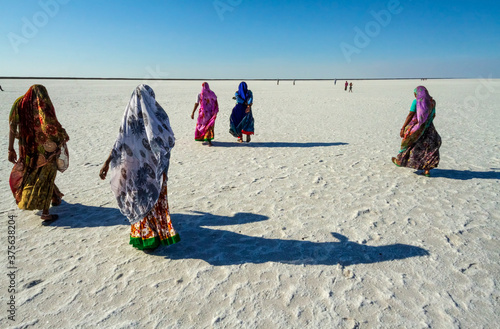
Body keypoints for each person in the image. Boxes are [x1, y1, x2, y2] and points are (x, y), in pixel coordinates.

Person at [99, 84, 179, 251]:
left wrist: (107, 162)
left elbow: (119, 141)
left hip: (133, 167)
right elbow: (168, 139)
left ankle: (144, 235)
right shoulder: (159, 116)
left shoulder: (128, 117)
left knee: (140, 199)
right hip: (153, 168)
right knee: (152, 198)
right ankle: (153, 234)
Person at [8, 85, 69, 222]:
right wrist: (61, 136)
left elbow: (12, 125)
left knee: (34, 173)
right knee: (46, 176)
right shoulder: (42, 104)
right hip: (45, 150)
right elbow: (50, 124)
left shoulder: (19, 103)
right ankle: (46, 213)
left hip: (28, 150)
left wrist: (10, 148)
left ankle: (55, 197)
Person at [392, 86, 441, 177]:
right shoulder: (432, 102)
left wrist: (403, 128)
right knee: (429, 148)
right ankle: (427, 171)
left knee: (408, 143)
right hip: (429, 128)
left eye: (415, 94)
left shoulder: (416, 102)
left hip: (418, 128)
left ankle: (400, 161)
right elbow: (433, 115)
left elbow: (410, 114)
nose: (415, 96)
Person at [191, 82, 219, 147]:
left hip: (203, 114)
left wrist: (193, 112)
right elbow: (216, 102)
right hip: (210, 113)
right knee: (209, 126)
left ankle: (203, 138)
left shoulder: (199, 95)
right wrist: (216, 111)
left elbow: (196, 103)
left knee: (202, 125)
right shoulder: (212, 94)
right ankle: (208, 140)